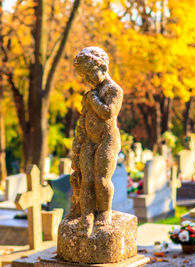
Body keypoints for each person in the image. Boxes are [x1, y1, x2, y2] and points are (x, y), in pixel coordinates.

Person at [73, 47, 123, 236]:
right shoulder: (91, 93)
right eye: (83, 76)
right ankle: (86, 215)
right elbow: (84, 118)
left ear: (102, 67)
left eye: (89, 74)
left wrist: (92, 99)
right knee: (86, 180)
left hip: (107, 140)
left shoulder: (114, 90)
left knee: (101, 180)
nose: (86, 80)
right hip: (89, 141)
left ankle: (104, 210)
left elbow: (108, 113)